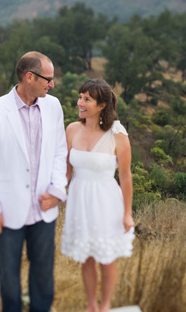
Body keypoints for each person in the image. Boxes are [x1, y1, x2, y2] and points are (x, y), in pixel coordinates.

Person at [0, 51, 68, 312]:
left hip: (44, 209)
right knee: (9, 279)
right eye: (48, 79)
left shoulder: (54, 106)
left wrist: (57, 190)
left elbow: (60, 150)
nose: (52, 84)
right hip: (6, 212)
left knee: (43, 277)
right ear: (29, 77)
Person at [61, 79, 135, 312]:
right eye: (80, 97)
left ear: (102, 105)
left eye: (87, 99)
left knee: (106, 256)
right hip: (79, 200)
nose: (80, 103)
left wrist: (127, 213)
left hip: (106, 201)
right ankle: (91, 305)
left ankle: (105, 306)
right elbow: (66, 172)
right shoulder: (72, 129)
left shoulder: (118, 134)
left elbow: (125, 177)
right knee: (87, 256)